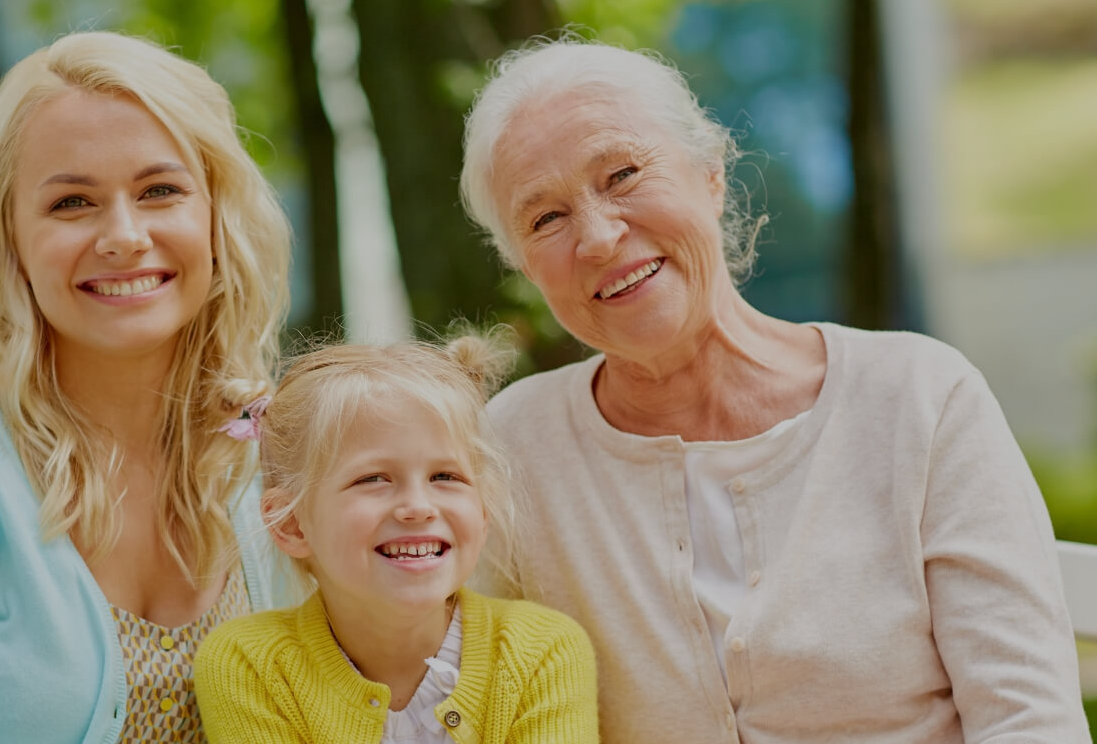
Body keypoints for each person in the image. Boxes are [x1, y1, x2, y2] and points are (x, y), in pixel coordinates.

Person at [459, 38, 1090, 743]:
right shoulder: (514, 445)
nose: (599, 237)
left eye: (623, 174)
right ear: (521, 264)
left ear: (710, 174)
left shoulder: (920, 397)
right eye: (546, 218)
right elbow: (458, 699)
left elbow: (1029, 721)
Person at [0, 31, 300, 744]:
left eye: (160, 190)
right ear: (10, 238)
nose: (123, 235)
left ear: (216, 217)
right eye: (73, 202)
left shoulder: (272, 449)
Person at [193, 334, 600, 743]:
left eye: (446, 477)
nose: (418, 507)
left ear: (482, 510)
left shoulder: (542, 652)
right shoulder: (248, 664)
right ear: (292, 525)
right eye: (373, 479)